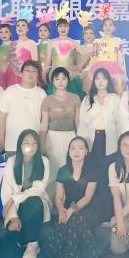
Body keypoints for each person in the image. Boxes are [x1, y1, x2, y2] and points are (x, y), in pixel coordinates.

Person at [41, 137, 107, 258]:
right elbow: (59, 197)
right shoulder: (63, 170)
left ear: (86, 151)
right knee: (52, 248)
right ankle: (87, 249)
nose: (76, 151)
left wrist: (71, 210)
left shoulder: (92, 171)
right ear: (69, 152)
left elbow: (87, 197)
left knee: (76, 218)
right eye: (73, 148)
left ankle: (72, 254)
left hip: (89, 209)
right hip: (67, 209)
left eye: (80, 148)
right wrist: (62, 211)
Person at [1, 130, 52, 258]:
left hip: (36, 206)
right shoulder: (12, 161)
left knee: (33, 200)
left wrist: (13, 199)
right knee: (13, 235)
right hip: (17, 208)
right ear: (20, 145)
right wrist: (13, 216)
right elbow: (6, 191)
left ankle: (33, 244)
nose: (31, 146)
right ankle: (26, 238)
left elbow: (39, 189)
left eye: (34, 143)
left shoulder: (44, 161)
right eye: (27, 143)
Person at [41, 67, 81, 199]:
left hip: (70, 137)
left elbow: (78, 122)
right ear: (52, 81)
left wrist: (80, 140)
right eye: (57, 79)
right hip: (53, 138)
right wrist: (42, 144)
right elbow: (44, 123)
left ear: (68, 81)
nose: (60, 81)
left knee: (69, 169)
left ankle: (67, 200)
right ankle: (51, 201)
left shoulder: (75, 98)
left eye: (64, 78)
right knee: (53, 170)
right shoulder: (47, 100)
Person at [0, 60, 47, 159]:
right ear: (21, 73)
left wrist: (42, 144)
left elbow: (44, 122)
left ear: (38, 75)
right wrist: (0, 142)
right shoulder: (10, 91)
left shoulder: (42, 94)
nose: (30, 74)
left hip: (33, 146)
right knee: (12, 169)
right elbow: (1, 118)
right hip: (12, 145)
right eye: (27, 70)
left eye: (34, 71)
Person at [78, 68, 122, 170]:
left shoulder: (115, 99)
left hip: (110, 138)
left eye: (104, 79)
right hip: (91, 139)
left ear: (108, 81)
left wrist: (121, 141)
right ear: (94, 81)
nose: (101, 82)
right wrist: (81, 143)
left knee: (108, 168)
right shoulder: (87, 99)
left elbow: (120, 123)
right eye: (98, 78)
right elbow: (82, 123)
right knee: (92, 169)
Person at [46, 18, 83, 96]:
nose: (63, 28)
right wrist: (44, 76)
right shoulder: (51, 43)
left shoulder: (74, 42)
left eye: (65, 26)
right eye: (60, 26)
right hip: (55, 76)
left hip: (70, 77)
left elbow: (86, 55)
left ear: (69, 27)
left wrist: (78, 67)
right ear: (57, 28)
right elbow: (47, 64)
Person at [87, 17, 126, 92]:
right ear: (102, 27)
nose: (108, 27)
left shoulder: (118, 41)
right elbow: (93, 58)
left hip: (114, 69)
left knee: (114, 91)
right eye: (105, 25)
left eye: (110, 25)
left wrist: (122, 72)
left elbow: (121, 59)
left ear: (114, 28)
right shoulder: (97, 41)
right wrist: (91, 72)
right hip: (99, 69)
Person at [0, 22, 17, 88]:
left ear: (10, 33)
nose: (3, 34)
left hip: (12, 77)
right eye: (1, 32)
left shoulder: (15, 45)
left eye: (6, 32)